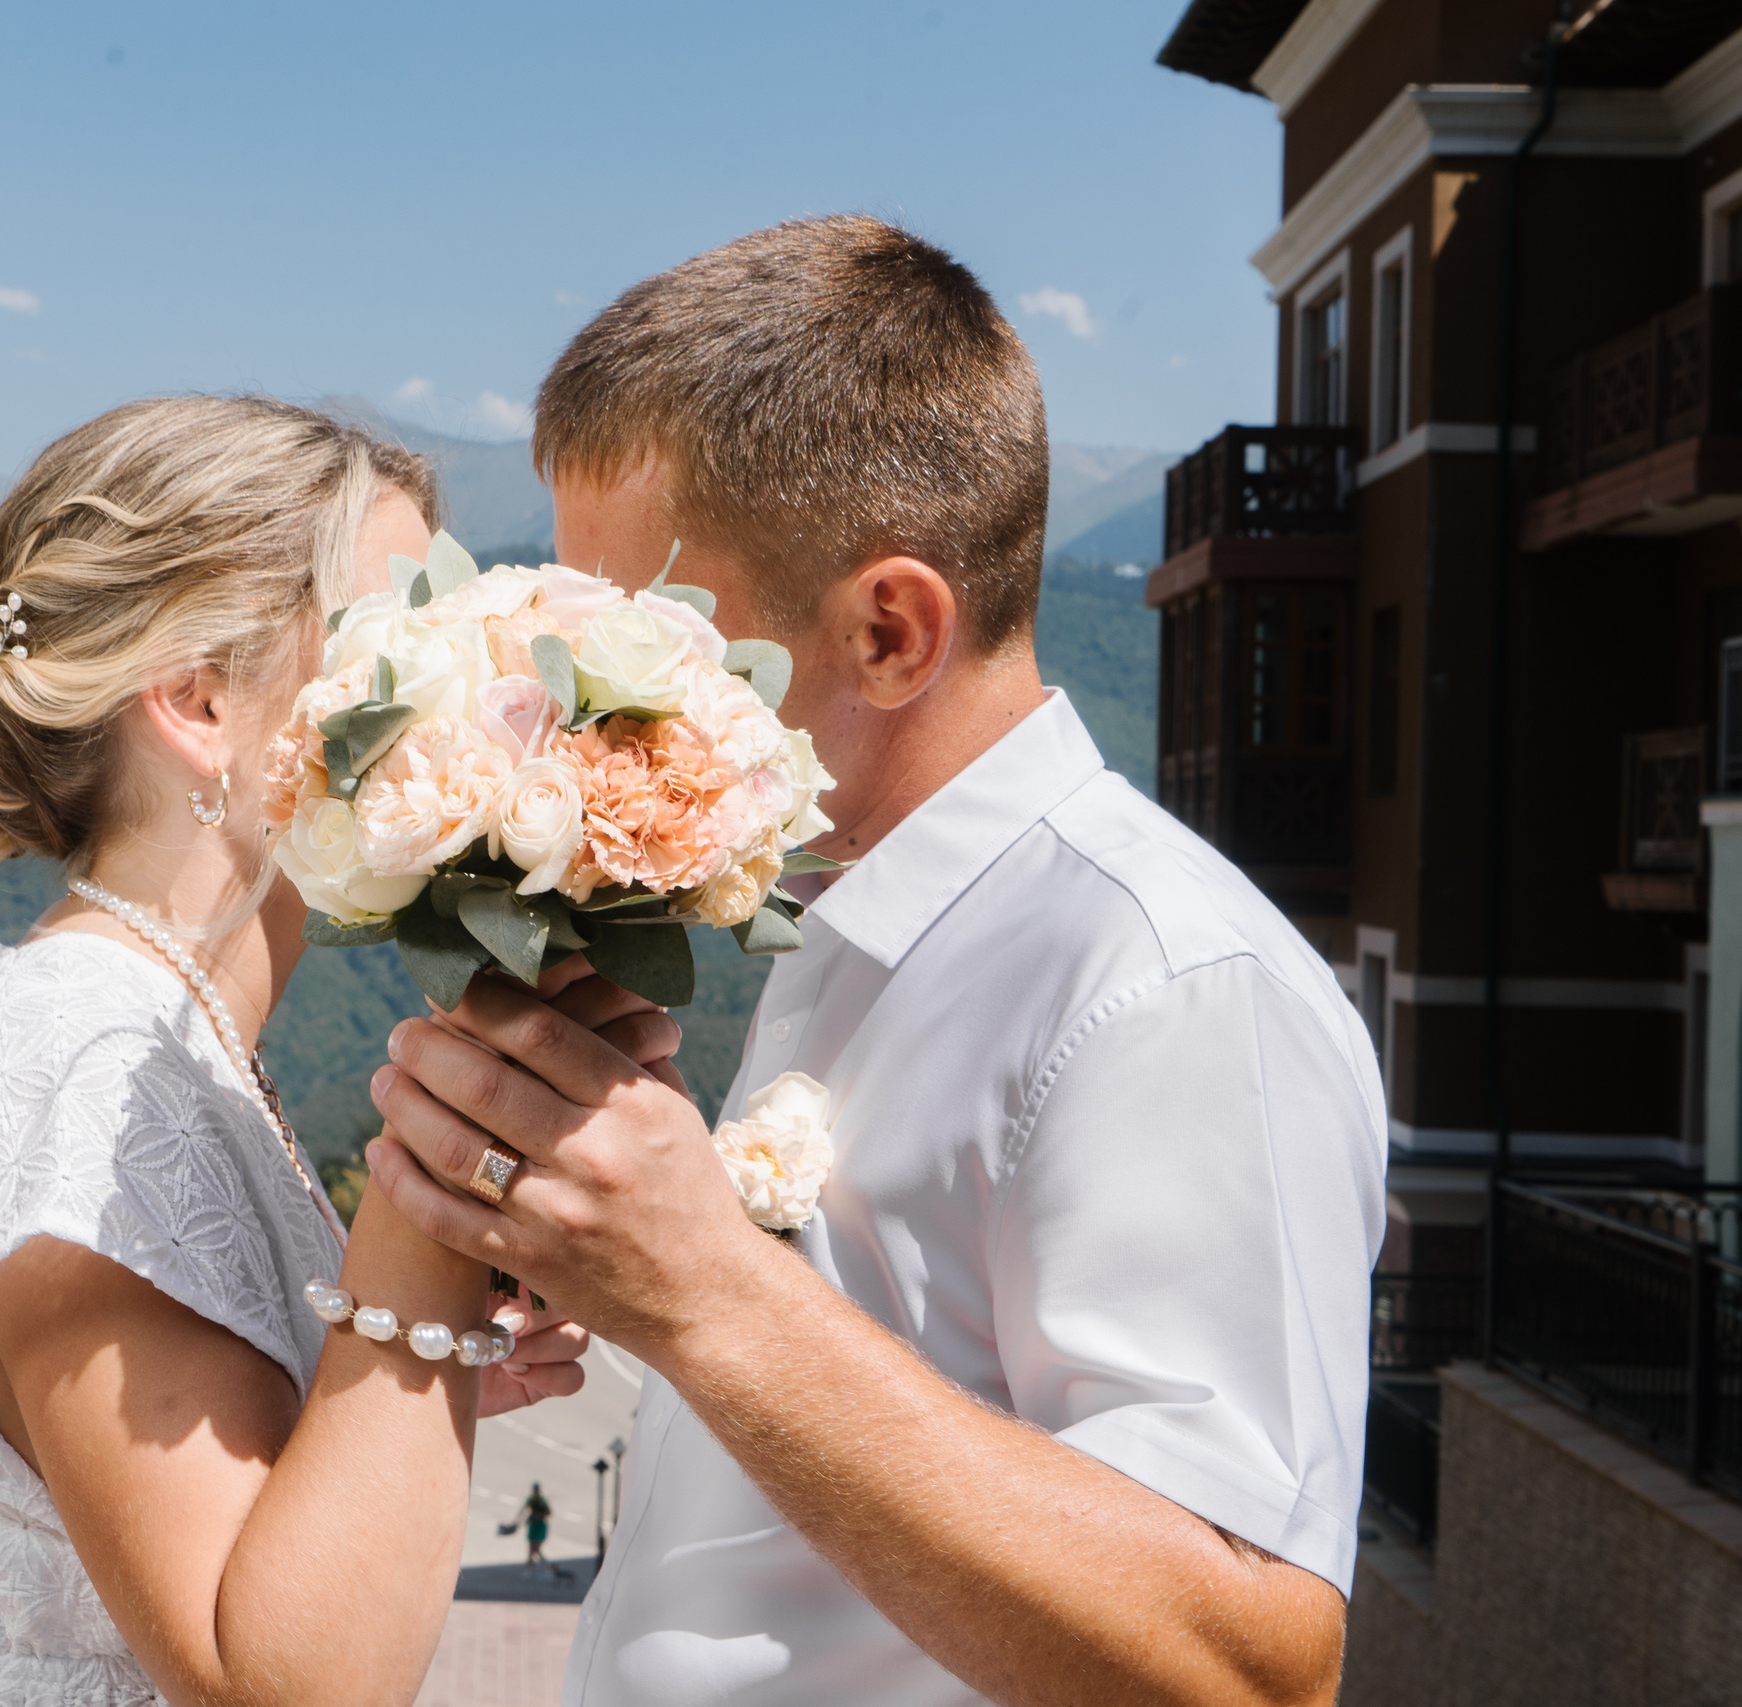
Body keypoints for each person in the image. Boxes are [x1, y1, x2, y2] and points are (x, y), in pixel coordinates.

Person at [364, 217, 1387, 1707]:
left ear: (892, 631)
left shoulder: (1167, 982)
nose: (570, 714)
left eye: (636, 648)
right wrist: (626, 1264)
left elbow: (1245, 1662)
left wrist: (707, 1292)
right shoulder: (839, 911)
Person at [0, 396, 615, 1707]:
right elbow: (287, 1682)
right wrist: (448, 1177)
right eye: (401, 634)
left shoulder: (146, 1037)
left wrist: (383, 1384)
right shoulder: (84, 1076)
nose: (484, 689)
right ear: (198, 700)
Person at [510, 1480, 564, 1580]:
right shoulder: (531, 1499)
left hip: (540, 1525)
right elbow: (523, 1509)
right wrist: (516, 1521)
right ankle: (535, 1566)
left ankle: (542, 1566)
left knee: (536, 1548)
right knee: (531, 1547)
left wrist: (538, 1515)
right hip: (533, 1525)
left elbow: (549, 1513)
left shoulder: (542, 1500)